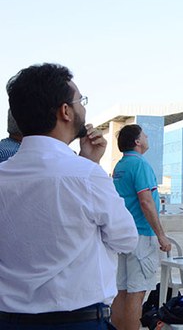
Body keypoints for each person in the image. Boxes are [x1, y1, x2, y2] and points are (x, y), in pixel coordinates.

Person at [0, 63, 138, 329]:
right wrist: (88, 164)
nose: (83, 109)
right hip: (78, 319)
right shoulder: (86, 176)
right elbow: (126, 239)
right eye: (80, 101)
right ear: (65, 111)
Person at [111, 124, 172, 330]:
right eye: (144, 135)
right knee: (136, 292)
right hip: (142, 235)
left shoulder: (120, 166)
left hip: (122, 234)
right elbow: (146, 201)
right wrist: (161, 235)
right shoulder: (140, 164)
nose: (147, 137)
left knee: (121, 290)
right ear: (137, 141)